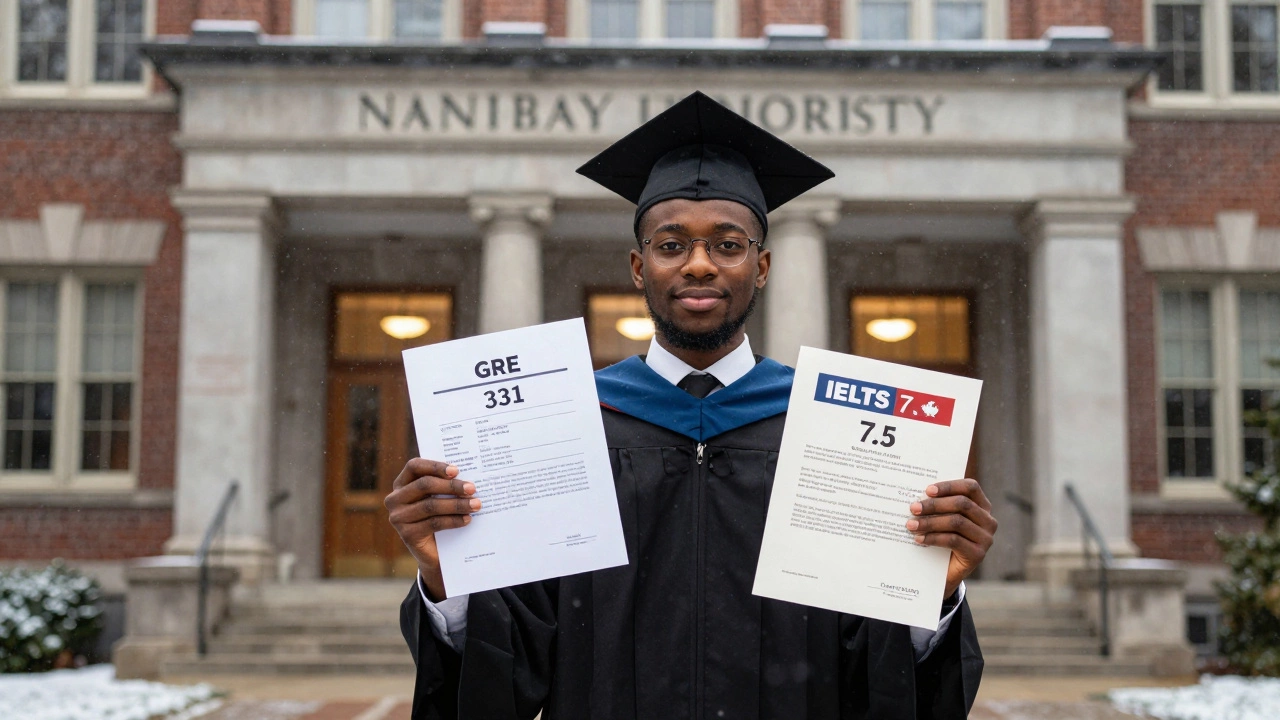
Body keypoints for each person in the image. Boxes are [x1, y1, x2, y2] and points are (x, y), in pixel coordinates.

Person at [385, 92, 997, 720]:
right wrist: (447, 579)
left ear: (760, 267)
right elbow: (510, 663)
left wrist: (933, 590)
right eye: (671, 244)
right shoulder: (573, 426)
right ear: (638, 266)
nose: (699, 264)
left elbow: (870, 662)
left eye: (728, 246)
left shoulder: (823, 431)